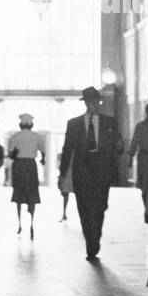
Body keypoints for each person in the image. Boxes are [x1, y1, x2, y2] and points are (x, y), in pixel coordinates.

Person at [58, 86, 125, 261]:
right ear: (86, 103)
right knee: (84, 207)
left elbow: (118, 145)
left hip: (102, 171)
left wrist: (119, 147)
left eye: (98, 101)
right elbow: (67, 150)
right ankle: (90, 241)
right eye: (93, 102)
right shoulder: (74, 124)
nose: (96, 104)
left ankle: (96, 236)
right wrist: (63, 175)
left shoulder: (109, 122)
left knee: (100, 206)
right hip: (82, 171)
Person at [7, 113, 45, 239]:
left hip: (18, 166)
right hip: (31, 166)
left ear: (20, 124)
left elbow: (11, 154)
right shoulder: (37, 137)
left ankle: (19, 223)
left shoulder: (15, 137)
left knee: (18, 194)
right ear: (31, 124)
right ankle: (32, 223)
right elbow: (43, 152)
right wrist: (42, 160)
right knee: (32, 193)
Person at [128, 102, 148, 223]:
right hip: (143, 158)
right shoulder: (140, 126)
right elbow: (134, 141)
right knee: (143, 187)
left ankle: (147, 212)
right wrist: (130, 157)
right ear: (146, 112)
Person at [57, 150, 73, 222]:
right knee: (66, 194)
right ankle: (64, 214)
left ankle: (64, 214)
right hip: (69, 174)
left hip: (70, 174)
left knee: (66, 194)